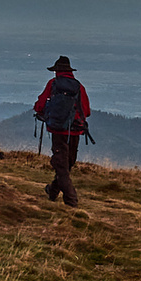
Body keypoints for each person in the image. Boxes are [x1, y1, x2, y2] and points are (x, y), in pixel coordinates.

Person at [34, 55, 91, 207]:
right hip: (75, 131)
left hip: (58, 130)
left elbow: (40, 104)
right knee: (67, 164)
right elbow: (86, 110)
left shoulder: (53, 84)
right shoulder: (79, 86)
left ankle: (71, 202)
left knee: (62, 166)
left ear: (56, 71)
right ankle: (53, 191)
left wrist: (42, 112)